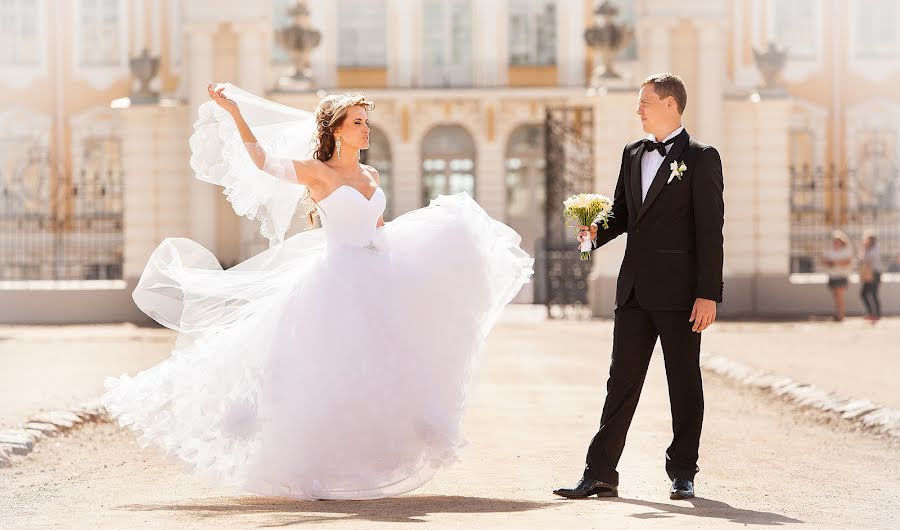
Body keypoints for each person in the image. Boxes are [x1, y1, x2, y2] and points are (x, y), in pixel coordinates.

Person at [101, 84, 533, 500]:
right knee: (329, 373)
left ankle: (369, 457)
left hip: (382, 276)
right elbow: (264, 163)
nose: (366, 130)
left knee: (385, 370)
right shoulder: (318, 174)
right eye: (358, 123)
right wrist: (236, 114)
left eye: (366, 122)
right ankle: (317, 466)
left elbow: (378, 226)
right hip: (338, 283)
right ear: (337, 130)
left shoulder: (371, 173)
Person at [554, 73, 724, 501]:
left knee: (682, 381)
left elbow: (711, 231)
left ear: (670, 103)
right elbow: (625, 212)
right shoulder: (633, 153)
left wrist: (709, 293)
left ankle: (683, 471)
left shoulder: (702, 158)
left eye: (645, 101)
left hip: (682, 295)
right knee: (621, 382)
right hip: (632, 290)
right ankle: (600, 473)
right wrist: (594, 233)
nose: (639, 109)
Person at [823, 230, 853, 322]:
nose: (836, 242)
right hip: (833, 276)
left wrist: (834, 262)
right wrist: (835, 262)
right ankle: (838, 314)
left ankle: (841, 315)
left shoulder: (846, 251)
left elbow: (847, 262)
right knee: (836, 297)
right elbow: (824, 261)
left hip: (841, 276)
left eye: (838, 240)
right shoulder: (831, 250)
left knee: (840, 297)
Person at [859, 231, 882, 323]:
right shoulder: (867, 249)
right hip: (868, 273)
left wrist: (864, 248)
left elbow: (867, 259)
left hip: (875, 273)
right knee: (864, 294)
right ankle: (871, 313)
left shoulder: (875, 249)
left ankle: (877, 314)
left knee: (873, 294)